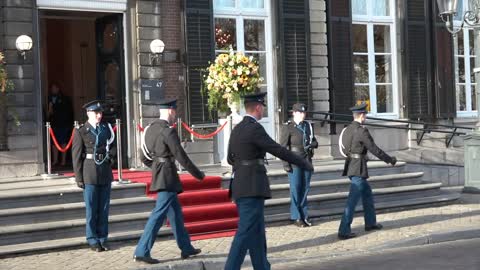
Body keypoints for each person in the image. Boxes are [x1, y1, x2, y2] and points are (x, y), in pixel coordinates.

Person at [224, 92, 314, 270]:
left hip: (241, 183)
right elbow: (277, 149)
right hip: (252, 185)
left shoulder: (237, 128)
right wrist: (303, 162)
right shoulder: (254, 128)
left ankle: (262, 266)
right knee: (245, 232)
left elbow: (229, 158)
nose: (264, 109)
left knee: (257, 232)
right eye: (263, 106)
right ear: (257, 107)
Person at [133, 98, 205, 264]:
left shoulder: (149, 129)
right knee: (158, 215)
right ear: (171, 111)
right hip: (168, 176)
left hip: (160, 173)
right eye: (175, 112)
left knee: (176, 215)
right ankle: (141, 250)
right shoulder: (168, 131)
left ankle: (186, 247)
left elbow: (143, 155)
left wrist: (156, 166)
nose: (175, 115)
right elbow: (182, 157)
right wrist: (198, 174)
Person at [337, 103, 397, 240]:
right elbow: (374, 149)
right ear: (362, 116)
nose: (365, 117)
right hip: (358, 168)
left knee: (367, 195)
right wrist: (390, 160)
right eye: (365, 115)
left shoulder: (346, 129)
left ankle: (370, 223)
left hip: (351, 165)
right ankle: (343, 230)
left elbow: (344, 149)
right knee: (352, 201)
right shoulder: (362, 131)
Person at [72, 100, 116, 252]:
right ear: (88, 113)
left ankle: (103, 238)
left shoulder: (106, 128)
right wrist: (78, 177)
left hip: (104, 171)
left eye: (100, 113)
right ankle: (92, 239)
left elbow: (112, 145)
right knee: (91, 209)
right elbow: (76, 156)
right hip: (89, 172)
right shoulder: (81, 131)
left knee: (104, 208)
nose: (99, 115)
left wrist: (111, 156)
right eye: (96, 113)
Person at [280, 103, 318, 227]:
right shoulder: (288, 127)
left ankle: (304, 215)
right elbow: (283, 147)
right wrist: (286, 164)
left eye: (304, 112)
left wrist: (314, 144)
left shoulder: (308, 126)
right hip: (294, 160)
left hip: (306, 160)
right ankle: (296, 217)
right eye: (300, 112)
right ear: (294, 113)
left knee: (305, 188)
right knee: (296, 189)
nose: (303, 115)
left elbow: (313, 139)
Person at [47, 82, 73, 166]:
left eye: (54, 88)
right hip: (54, 123)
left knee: (63, 142)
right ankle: (55, 160)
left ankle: (63, 161)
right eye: (52, 88)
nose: (53, 90)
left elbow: (67, 112)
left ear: (58, 88)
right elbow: (49, 113)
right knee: (54, 143)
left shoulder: (65, 98)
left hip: (63, 123)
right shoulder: (50, 98)